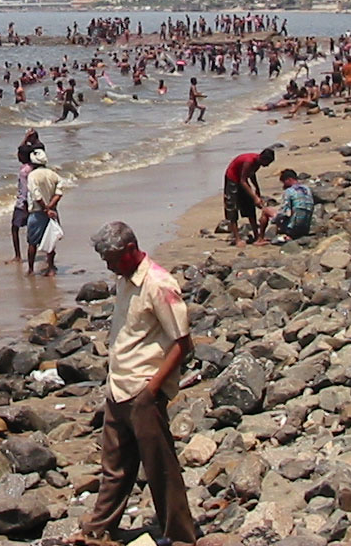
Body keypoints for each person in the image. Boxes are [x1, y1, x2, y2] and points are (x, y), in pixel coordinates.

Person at [78, 222, 195, 546]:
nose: (109, 266)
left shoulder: (158, 284)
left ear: (130, 251)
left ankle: (181, 536)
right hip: (119, 386)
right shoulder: (125, 280)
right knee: (115, 466)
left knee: (161, 469)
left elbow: (182, 342)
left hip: (143, 388)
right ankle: (99, 528)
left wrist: (152, 389)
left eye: (112, 259)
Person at [223, 148, 275, 246]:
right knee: (232, 208)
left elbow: (251, 174)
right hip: (233, 179)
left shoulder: (257, 163)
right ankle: (237, 238)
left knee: (250, 207)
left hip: (243, 180)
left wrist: (256, 188)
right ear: (263, 158)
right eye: (267, 163)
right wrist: (255, 197)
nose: (267, 165)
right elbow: (243, 180)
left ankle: (257, 235)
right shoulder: (249, 161)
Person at [25, 149, 63, 276]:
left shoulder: (32, 176)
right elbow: (58, 193)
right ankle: (51, 267)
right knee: (50, 241)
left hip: (37, 212)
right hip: (52, 211)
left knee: (32, 242)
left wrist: (45, 209)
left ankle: (31, 269)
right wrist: (50, 208)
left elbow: (36, 195)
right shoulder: (53, 175)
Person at [260, 168, 315, 243]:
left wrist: (274, 221)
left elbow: (285, 212)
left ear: (289, 179)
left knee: (266, 210)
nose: (284, 185)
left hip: (293, 228)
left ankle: (260, 239)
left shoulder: (289, 191)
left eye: (284, 182)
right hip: (306, 227)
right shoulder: (307, 189)